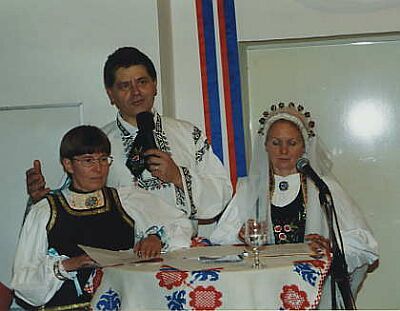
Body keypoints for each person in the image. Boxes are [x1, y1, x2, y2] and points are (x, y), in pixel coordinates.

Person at [26, 46, 232, 237]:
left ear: (154, 85)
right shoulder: (96, 145)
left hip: (183, 253)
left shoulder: (187, 135)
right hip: (121, 259)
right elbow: (73, 205)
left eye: (142, 82)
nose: (136, 92)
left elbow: (221, 196)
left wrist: (178, 176)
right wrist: (39, 200)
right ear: (111, 94)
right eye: (125, 86)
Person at [210, 102, 379, 307]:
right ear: (265, 146)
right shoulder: (248, 190)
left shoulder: (324, 189)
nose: (283, 150)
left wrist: (331, 247)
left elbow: (366, 245)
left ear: (304, 147)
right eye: (275, 142)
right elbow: (218, 240)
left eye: (291, 143)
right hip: (264, 293)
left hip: (312, 293)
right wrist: (240, 234)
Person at [12, 125, 192, 310]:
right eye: (88, 160)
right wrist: (68, 265)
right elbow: (24, 287)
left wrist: (156, 238)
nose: (98, 168)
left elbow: (180, 224)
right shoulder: (45, 210)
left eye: (103, 159)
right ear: (68, 164)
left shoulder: (126, 200)